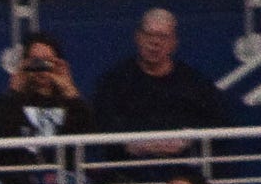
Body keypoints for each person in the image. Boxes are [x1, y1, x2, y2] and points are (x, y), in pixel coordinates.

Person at [92, 8, 226, 165]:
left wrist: (185, 141)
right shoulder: (114, 81)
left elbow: (217, 124)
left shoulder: (194, 82)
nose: (154, 42)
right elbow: (102, 125)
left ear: (174, 43)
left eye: (162, 36)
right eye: (149, 35)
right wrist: (135, 145)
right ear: (138, 37)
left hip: (183, 170)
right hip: (129, 171)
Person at [0, 34, 96, 184]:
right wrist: (14, 90)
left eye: (48, 61)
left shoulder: (71, 102)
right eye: (35, 61)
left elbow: (90, 135)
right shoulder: (10, 102)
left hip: (65, 178)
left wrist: (69, 90)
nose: (41, 67)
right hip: (24, 179)